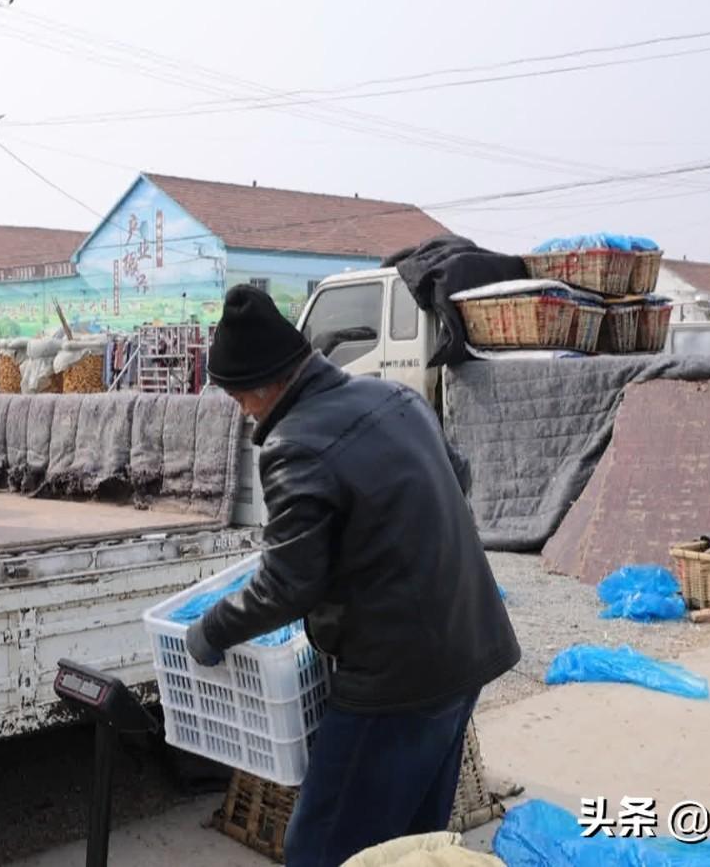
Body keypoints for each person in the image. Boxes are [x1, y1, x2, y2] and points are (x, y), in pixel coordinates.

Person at [186, 285, 519, 867]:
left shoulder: (293, 446)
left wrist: (211, 630)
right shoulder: (397, 398)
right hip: (469, 645)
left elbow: (287, 586)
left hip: (395, 679)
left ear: (265, 384)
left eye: (238, 396)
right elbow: (456, 479)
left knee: (322, 847)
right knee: (416, 841)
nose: (242, 411)